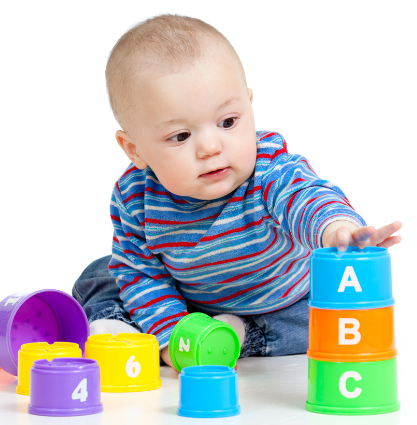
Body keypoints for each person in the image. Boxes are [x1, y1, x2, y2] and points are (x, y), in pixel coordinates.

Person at [72, 14, 401, 370]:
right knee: (103, 274)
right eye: (181, 136)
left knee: (319, 317)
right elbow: (143, 274)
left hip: (279, 301)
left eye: (228, 122)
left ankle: (240, 334)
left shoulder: (268, 168)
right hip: (189, 303)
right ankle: (121, 331)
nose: (211, 147)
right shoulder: (135, 197)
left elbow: (306, 195)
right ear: (134, 149)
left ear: (249, 106)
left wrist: (336, 229)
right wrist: (173, 338)